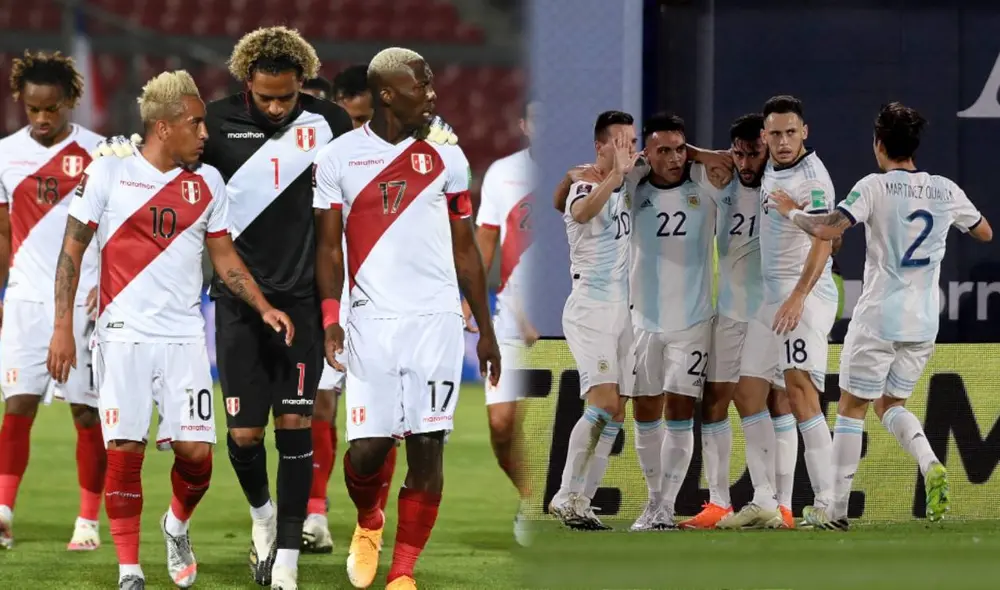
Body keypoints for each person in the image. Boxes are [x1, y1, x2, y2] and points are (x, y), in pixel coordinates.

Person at [47, 70, 294, 590]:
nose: (206, 134)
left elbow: (224, 256)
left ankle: (176, 525)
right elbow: (71, 251)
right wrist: (62, 328)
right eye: (196, 124)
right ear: (163, 127)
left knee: (198, 456)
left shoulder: (208, 183)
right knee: (125, 451)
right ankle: (129, 569)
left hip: (184, 336)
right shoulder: (108, 175)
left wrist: (263, 305)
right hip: (122, 333)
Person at [313, 47, 500, 590]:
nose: (434, 95)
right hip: (370, 321)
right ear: (388, 94)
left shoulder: (449, 158)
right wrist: (331, 318)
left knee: (427, 442)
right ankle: (369, 519)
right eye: (423, 85)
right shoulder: (340, 158)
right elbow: (327, 250)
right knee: (367, 452)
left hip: (437, 322)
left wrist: (485, 331)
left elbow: (466, 250)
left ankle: (402, 571)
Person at [769, 102, 993, 529]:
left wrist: (789, 211)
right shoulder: (945, 189)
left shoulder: (873, 187)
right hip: (924, 319)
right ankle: (930, 464)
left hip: (879, 315)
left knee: (852, 408)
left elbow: (827, 228)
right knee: (890, 403)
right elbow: (983, 232)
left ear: (878, 144)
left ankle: (834, 511)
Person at [0, 50, 105, 551]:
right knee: (16, 407)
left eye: (52, 109)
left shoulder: (103, 154)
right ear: (21, 102)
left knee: (85, 412)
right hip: (25, 299)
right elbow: (2, 234)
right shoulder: (4, 155)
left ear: (69, 102)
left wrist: (104, 283)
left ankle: (87, 522)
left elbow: (116, 229)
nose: (42, 119)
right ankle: (2, 513)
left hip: (85, 303)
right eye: (33, 109)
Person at [724, 95, 838, 529]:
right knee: (747, 391)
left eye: (791, 132)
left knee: (799, 393)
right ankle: (766, 499)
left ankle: (828, 502)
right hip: (772, 301)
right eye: (775, 134)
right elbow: (731, 156)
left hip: (804, 296)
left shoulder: (813, 179)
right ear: (765, 136)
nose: (784, 141)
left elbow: (825, 236)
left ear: (804, 131)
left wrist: (797, 297)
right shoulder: (770, 163)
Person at [688, 114, 798, 530]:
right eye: (740, 152)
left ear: (767, 148)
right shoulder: (722, 183)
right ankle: (719, 502)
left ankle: (780, 505)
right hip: (730, 313)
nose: (747, 161)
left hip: (770, 314)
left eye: (754, 152)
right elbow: (688, 159)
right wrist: (710, 155)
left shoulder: (782, 187)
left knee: (775, 400)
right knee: (715, 401)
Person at [625, 113, 719, 531]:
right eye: (663, 150)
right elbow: (603, 172)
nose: (674, 158)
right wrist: (637, 161)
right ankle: (653, 500)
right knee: (645, 412)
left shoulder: (707, 185)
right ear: (647, 154)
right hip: (642, 319)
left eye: (680, 148)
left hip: (692, 320)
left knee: (679, 410)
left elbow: (735, 163)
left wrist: (696, 153)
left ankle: (665, 508)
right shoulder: (632, 188)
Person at [546, 111, 638, 531]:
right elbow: (580, 212)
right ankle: (564, 496)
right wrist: (614, 178)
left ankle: (582, 501)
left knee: (617, 411)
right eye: (620, 142)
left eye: (631, 142)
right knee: (602, 403)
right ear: (600, 146)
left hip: (623, 310)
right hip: (590, 309)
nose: (628, 150)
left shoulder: (622, 178)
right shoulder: (587, 181)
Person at [468, 99, 538, 545]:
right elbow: (485, 241)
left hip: (571, 322)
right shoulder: (503, 172)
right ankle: (532, 500)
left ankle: (557, 505)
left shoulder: (586, 172)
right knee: (501, 425)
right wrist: (469, 301)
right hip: (511, 319)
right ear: (524, 125)